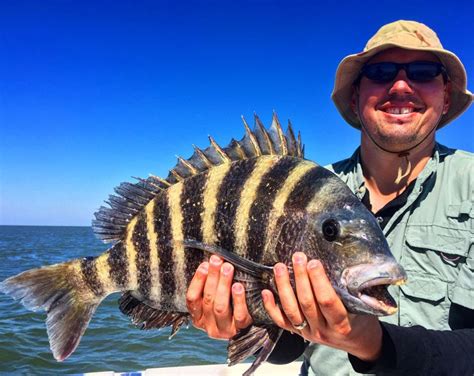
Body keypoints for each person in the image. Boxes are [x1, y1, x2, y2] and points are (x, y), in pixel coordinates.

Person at [185, 20, 474, 375]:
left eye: (424, 71)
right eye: (381, 72)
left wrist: (374, 344)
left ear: (446, 97)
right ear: (355, 97)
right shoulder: (299, 190)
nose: (400, 85)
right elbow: (289, 345)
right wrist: (241, 321)